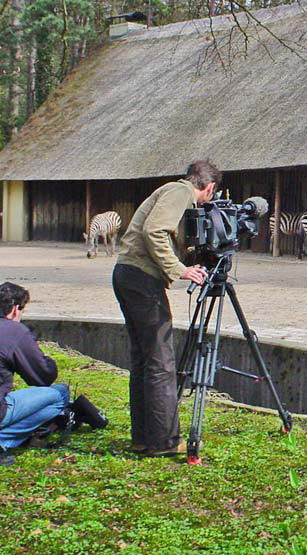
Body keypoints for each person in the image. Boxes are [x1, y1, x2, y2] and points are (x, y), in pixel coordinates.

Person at [112, 160, 221, 457]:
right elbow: (155, 231)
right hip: (140, 278)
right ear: (209, 188)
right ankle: (164, 441)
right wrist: (180, 269)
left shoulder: (170, 190)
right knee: (161, 360)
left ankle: (144, 437)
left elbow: (160, 234)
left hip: (128, 274)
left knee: (145, 359)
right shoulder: (180, 192)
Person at [0, 282, 70, 467]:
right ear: (15, 309)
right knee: (60, 393)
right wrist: (41, 355)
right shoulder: (14, 330)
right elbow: (43, 377)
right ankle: (3, 441)